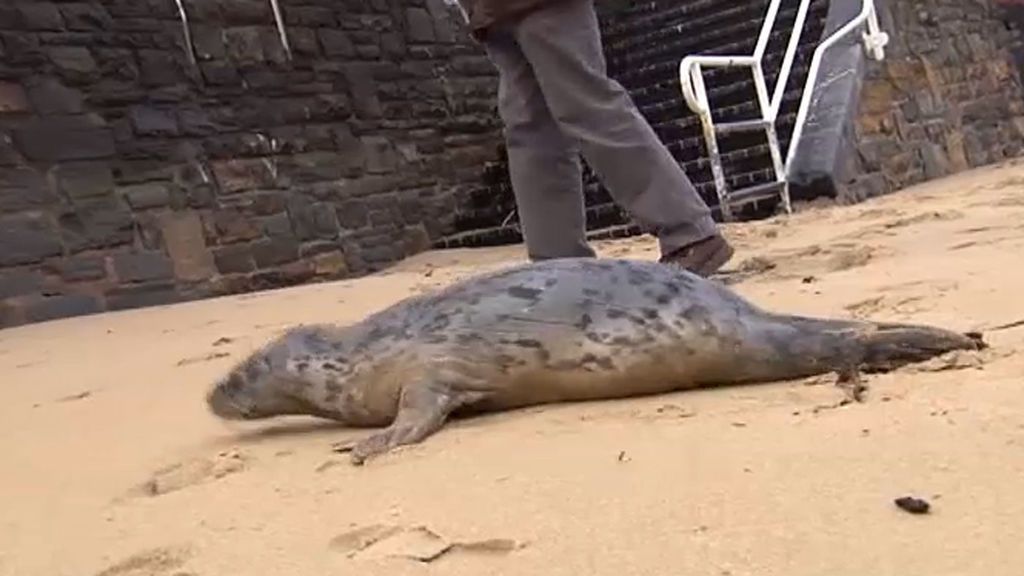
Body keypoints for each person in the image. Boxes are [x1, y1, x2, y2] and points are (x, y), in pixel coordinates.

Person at [453, 0, 736, 277]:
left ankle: (688, 233)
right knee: (530, 131)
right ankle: (558, 266)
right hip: (490, 12)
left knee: (587, 106)